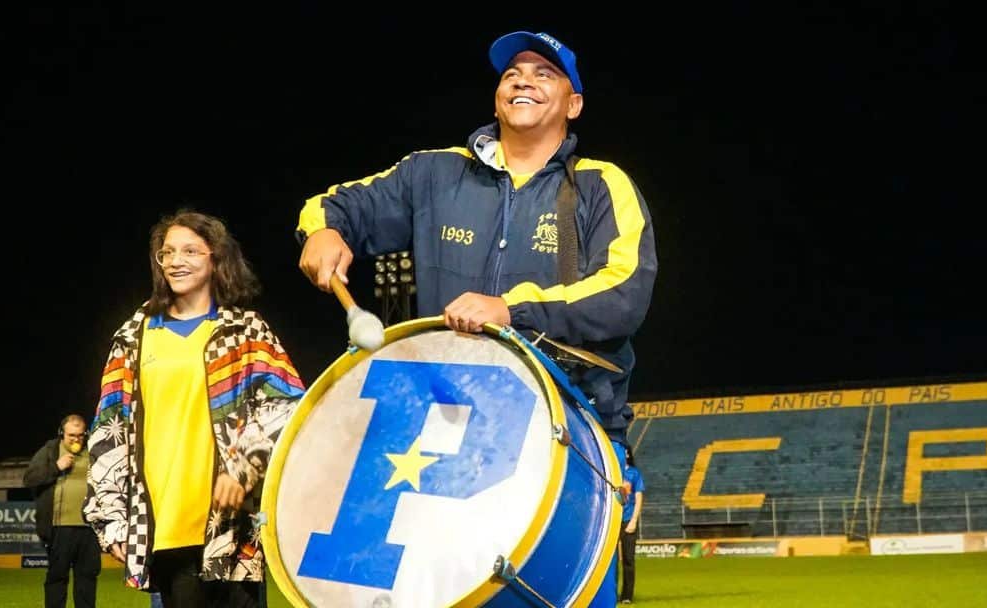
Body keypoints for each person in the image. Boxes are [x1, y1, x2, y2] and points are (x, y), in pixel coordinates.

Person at [296, 30, 657, 606]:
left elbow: (624, 293)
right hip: (442, 435)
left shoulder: (601, 185)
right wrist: (324, 231)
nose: (523, 80)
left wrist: (512, 308)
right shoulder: (433, 173)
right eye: (512, 72)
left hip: (568, 434)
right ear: (495, 98)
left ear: (574, 103)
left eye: (545, 73)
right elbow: (336, 202)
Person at [83, 210, 305, 607]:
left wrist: (242, 466)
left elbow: (286, 407)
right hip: (160, 529)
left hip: (228, 531)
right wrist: (112, 519)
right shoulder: (133, 337)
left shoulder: (247, 331)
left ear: (216, 259)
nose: (175, 261)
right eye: (166, 253)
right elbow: (107, 429)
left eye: (190, 251)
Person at [23, 414, 101, 608]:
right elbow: (30, 479)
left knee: (87, 579)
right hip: (59, 528)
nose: (76, 439)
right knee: (57, 578)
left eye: (81, 435)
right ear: (62, 433)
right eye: (71, 435)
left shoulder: (94, 451)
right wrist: (56, 466)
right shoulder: (50, 450)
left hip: (90, 528)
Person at [618, 444, 645, 604]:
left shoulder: (634, 473)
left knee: (628, 560)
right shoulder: (612, 471)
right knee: (611, 562)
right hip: (613, 521)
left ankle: (627, 595)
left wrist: (634, 520)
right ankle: (610, 594)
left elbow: (639, 497)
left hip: (628, 520)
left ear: (627, 454)